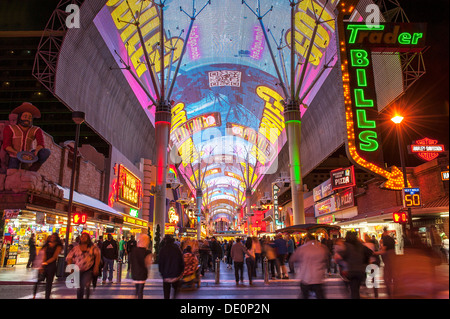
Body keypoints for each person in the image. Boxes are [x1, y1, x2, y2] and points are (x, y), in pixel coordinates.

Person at [2, 102, 51, 171]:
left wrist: (36, 151)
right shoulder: (10, 128)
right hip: (14, 155)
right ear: (20, 117)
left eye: (30, 117)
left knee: (46, 152)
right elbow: (7, 145)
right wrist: (17, 153)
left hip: (29, 155)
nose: (27, 119)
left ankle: (32, 169)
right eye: (25, 116)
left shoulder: (36, 130)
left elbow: (41, 144)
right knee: (12, 173)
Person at [291, 233, 330, 299]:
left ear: (307, 239)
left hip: (305, 277)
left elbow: (292, 259)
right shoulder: (321, 248)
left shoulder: (302, 248)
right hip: (318, 277)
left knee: (304, 296)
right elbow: (326, 260)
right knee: (320, 296)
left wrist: (294, 270)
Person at [337, 231, 373, 299]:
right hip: (361, 271)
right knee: (356, 289)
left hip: (351, 271)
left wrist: (341, 261)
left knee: (353, 290)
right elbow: (370, 252)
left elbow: (338, 257)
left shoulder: (346, 245)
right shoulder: (360, 245)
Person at [66, 232, 101, 299]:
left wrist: (96, 266)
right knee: (79, 287)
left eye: (85, 237)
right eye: (82, 237)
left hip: (88, 269)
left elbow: (98, 256)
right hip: (77, 269)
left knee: (86, 284)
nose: (83, 238)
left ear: (88, 239)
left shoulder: (93, 248)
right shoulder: (76, 248)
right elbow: (69, 257)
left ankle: (87, 296)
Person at [33, 233, 63, 299]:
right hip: (44, 264)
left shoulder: (58, 246)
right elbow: (43, 254)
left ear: (56, 238)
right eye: (51, 237)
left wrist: (46, 262)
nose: (52, 238)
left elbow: (55, 257)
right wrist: (42, 264)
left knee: (49, 283)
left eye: (53, 237)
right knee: (39, 280)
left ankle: (47, 296)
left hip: (51, 265)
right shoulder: (46, 245)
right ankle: (34, 295)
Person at [130, 234, 152, 299]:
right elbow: (148, 263)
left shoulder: (134, 250)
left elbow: (131, 261)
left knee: (137, 290)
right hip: (142, 273)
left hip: (135, 273)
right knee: (140, 291)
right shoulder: (147, 252)